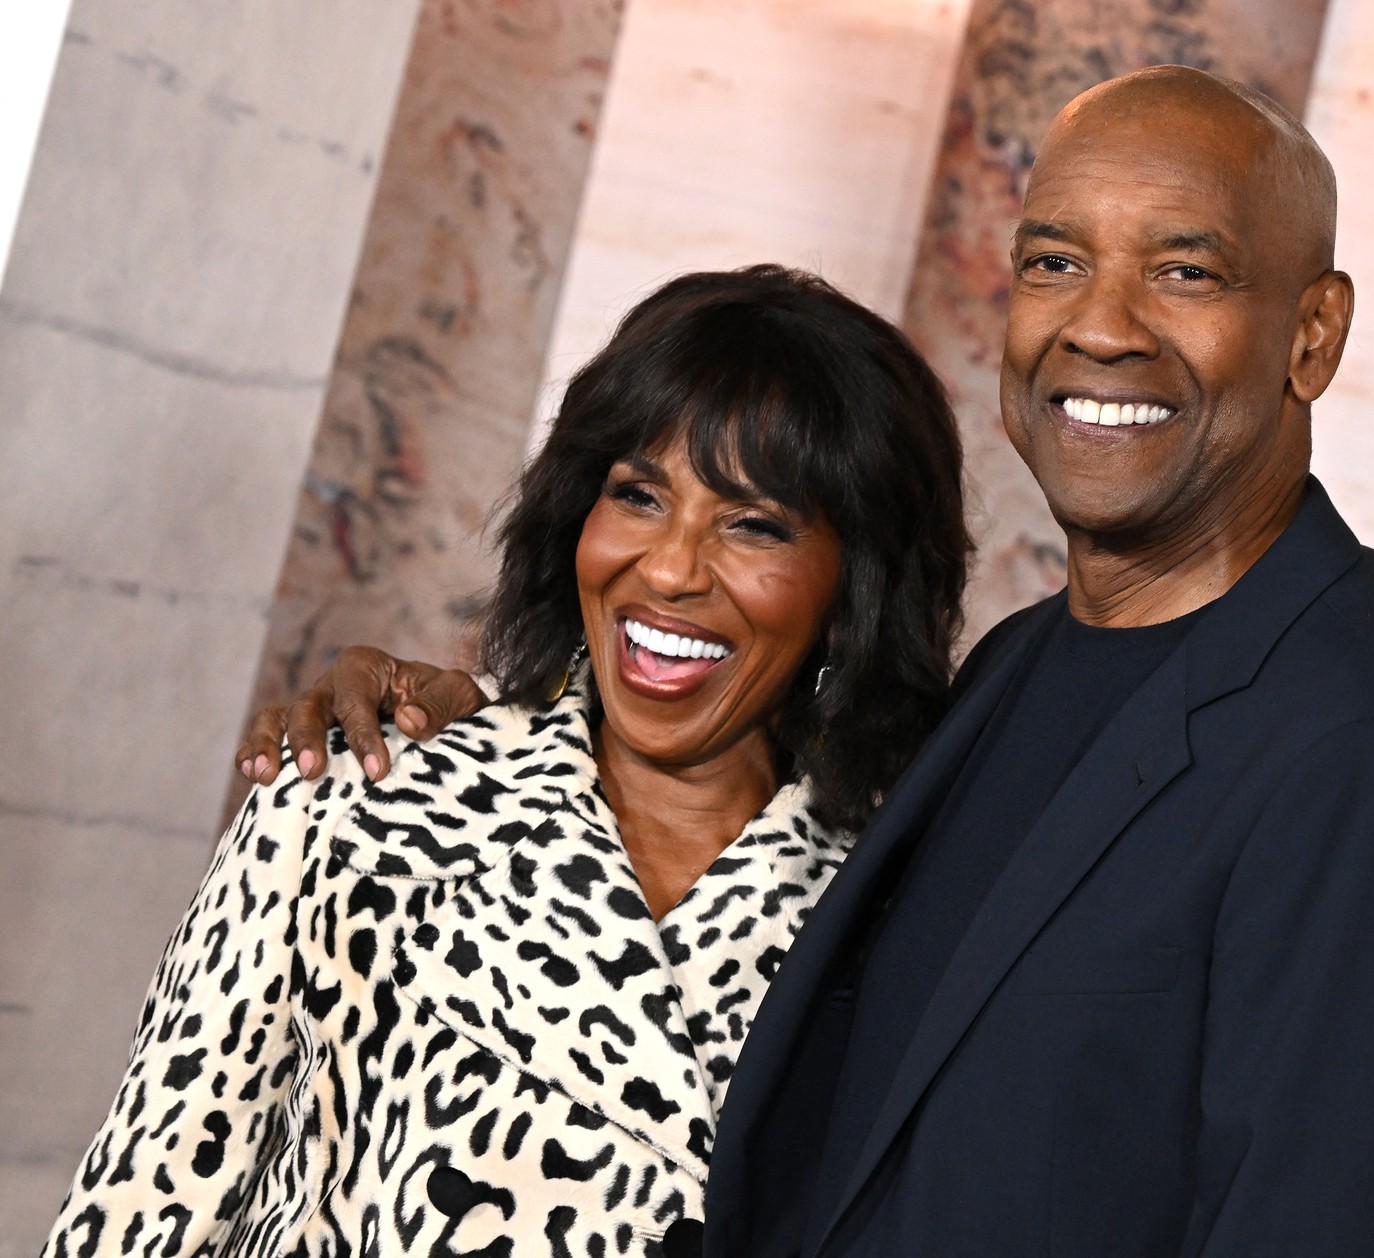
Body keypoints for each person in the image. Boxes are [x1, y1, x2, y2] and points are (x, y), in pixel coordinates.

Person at [248, 68, 1374, 1256]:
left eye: (1185, 272)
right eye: (1055, 262)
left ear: (1313, 334)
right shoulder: (1015, 668)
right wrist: (492, 735)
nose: (1100, 326)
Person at [43, 265, 970, 1258]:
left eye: (752, 524)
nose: (667, 568)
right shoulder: (350, 807)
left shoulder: (891, 932)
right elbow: (138, 1216)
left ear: (856, 584)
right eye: (638, 495)